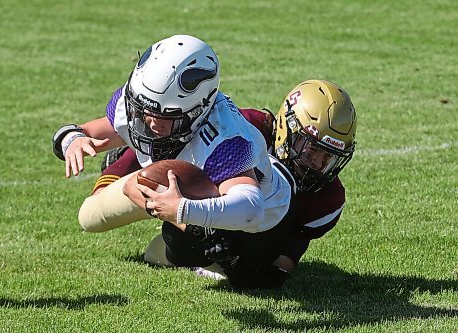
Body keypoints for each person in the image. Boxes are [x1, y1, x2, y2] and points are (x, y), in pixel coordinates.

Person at [52, 35, 292, 273]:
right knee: (89, 217)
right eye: (143, 110)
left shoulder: (223, 138)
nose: (150, 123)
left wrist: (181, 210)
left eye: (165, 117)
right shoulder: (143, 101)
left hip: (249, 216)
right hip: (174, 178)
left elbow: (250, 208)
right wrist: (72, 138)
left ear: (199, 110)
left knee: (223, 262)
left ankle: (175, 248)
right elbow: (95, 131)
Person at [96, 79, 357, 289]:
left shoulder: (327, 199)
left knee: (191, 254)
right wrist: (114, 173)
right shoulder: (247, 129)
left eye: (328, 158)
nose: (316, 163)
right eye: (309, 149)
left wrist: (231, 261)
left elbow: (275, 269)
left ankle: (177, 252)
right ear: (285, 129)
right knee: (174, 237)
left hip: (243, 226)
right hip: (193, 192)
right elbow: (167, 148)